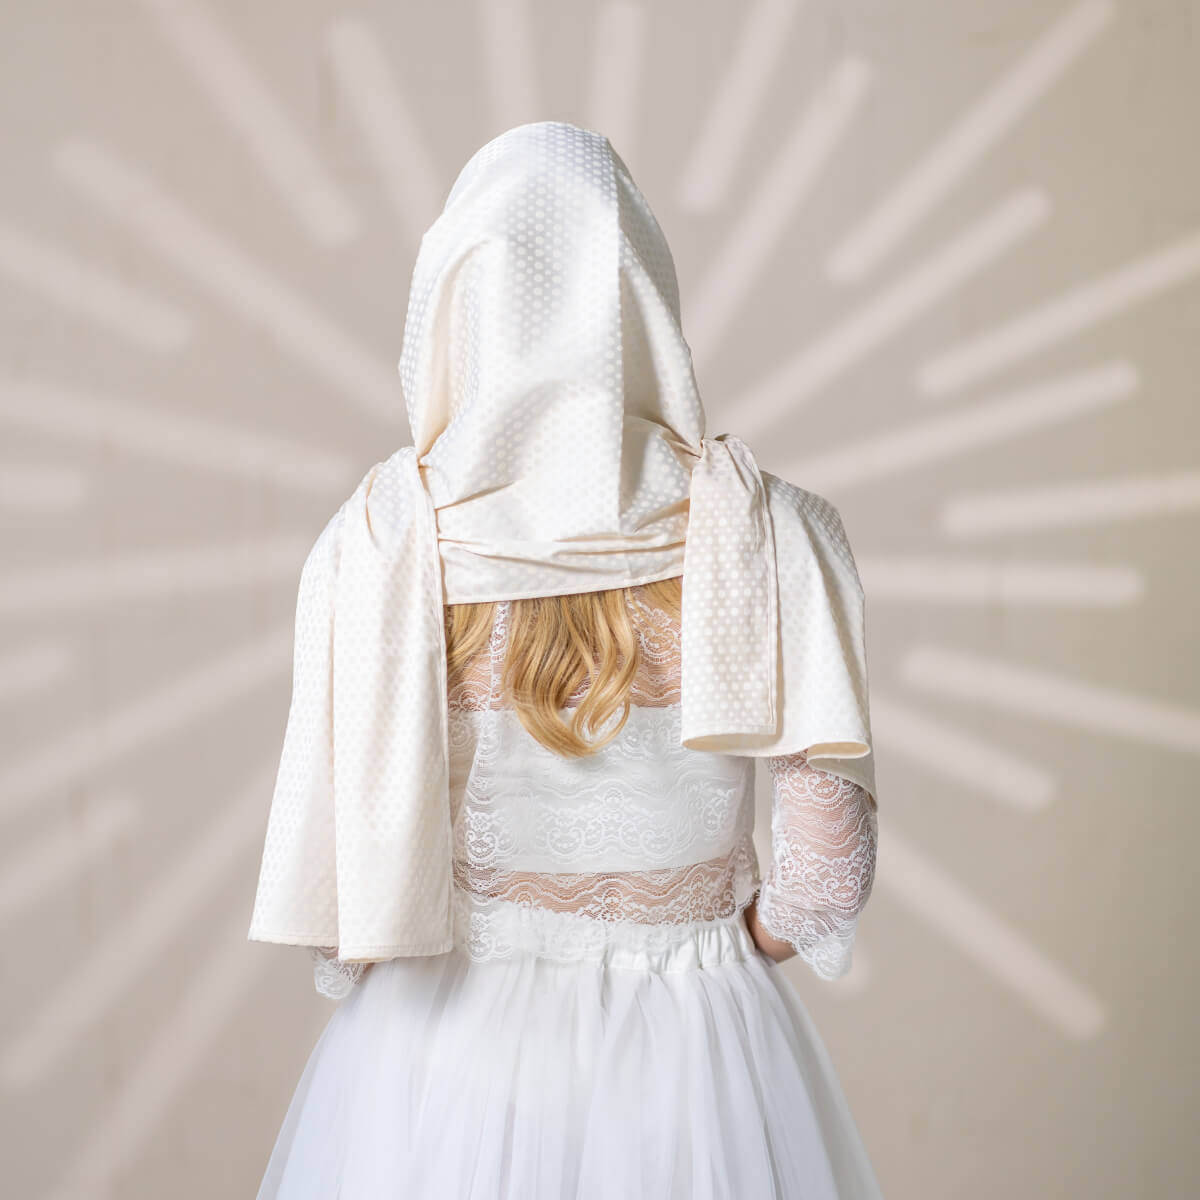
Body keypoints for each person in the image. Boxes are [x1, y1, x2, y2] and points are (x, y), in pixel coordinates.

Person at [247, 119, 884, 1199]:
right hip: (701, 1047)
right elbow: (827, 878)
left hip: (447, 1055)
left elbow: (346, 909)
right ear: (643, 296)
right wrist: (735, 942)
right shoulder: (770, 533)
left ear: (455, 305)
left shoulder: (385, 544)